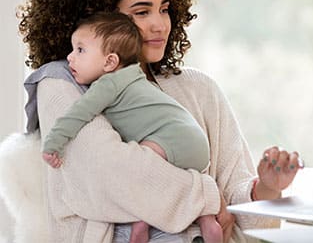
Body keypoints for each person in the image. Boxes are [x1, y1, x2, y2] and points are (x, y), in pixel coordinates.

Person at [19, 0, 303, 241]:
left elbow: (237, 211)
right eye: (141, 12)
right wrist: (208, 194)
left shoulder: (199, 88)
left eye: (164, 9)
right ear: (101, 23)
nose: (159, 24)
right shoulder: (60, 82)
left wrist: (267, 189)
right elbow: (113, 177)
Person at [39, 12, 220, 243]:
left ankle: (140, 223)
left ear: (110, 62)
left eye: (80, 50)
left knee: (139, 167)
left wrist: (53, 144)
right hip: (194, 142)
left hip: (172, 138)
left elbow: (77, 114)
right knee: (163, 171)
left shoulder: (108, 84)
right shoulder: (134, 75)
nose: (70, 57)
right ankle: (208, 221)